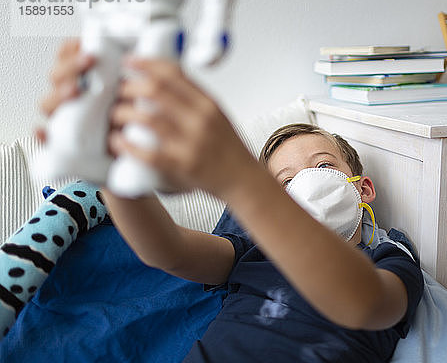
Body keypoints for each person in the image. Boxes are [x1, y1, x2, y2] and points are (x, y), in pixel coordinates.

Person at [38, 40, 424, 362]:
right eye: (286, 182)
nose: (307, 183)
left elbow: (366, 304)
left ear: (364, 188)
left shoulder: (389, 257)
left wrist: (241, 179)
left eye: (323, 166)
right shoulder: (252, 252)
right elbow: (166, 251)